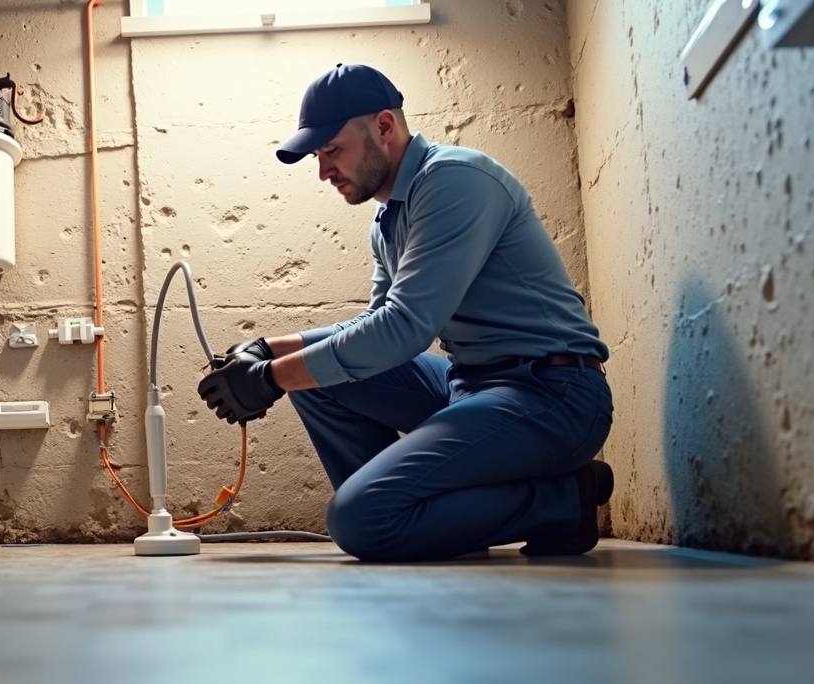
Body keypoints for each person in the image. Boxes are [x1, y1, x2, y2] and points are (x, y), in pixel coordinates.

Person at [196, 64, 616, 561]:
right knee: (318, 374)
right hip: (469, 384)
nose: (323, 170)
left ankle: (566, 499)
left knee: (358, 520)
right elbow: (372, 328)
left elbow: (404, 329)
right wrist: (268, 351)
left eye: (332, 151)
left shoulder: (454, 180)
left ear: (384, 127)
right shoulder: (389, 216)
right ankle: (429, 518)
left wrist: (271, 377)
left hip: (553, 395)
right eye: (316, 156)